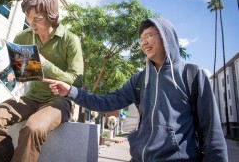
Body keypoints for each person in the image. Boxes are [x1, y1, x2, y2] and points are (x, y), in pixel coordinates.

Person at [43, 18, 228, 162]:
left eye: (149, 35)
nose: (144, 42)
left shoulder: (193, 76)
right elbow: (106, 102)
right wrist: (71, 92)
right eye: (141, 39)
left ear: (166, 37)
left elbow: (213, 133)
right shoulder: (138, 80)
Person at [0, 0, 84, 162]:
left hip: (59, 101)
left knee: (33, 127)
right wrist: (5, 70)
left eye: (37, 18)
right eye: (28, 17)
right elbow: (20, 72)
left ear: (51, 15)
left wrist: (44, 64)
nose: (31, 23)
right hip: (30, 97)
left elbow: (77, 81)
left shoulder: (70, 40)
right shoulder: (22, 37)